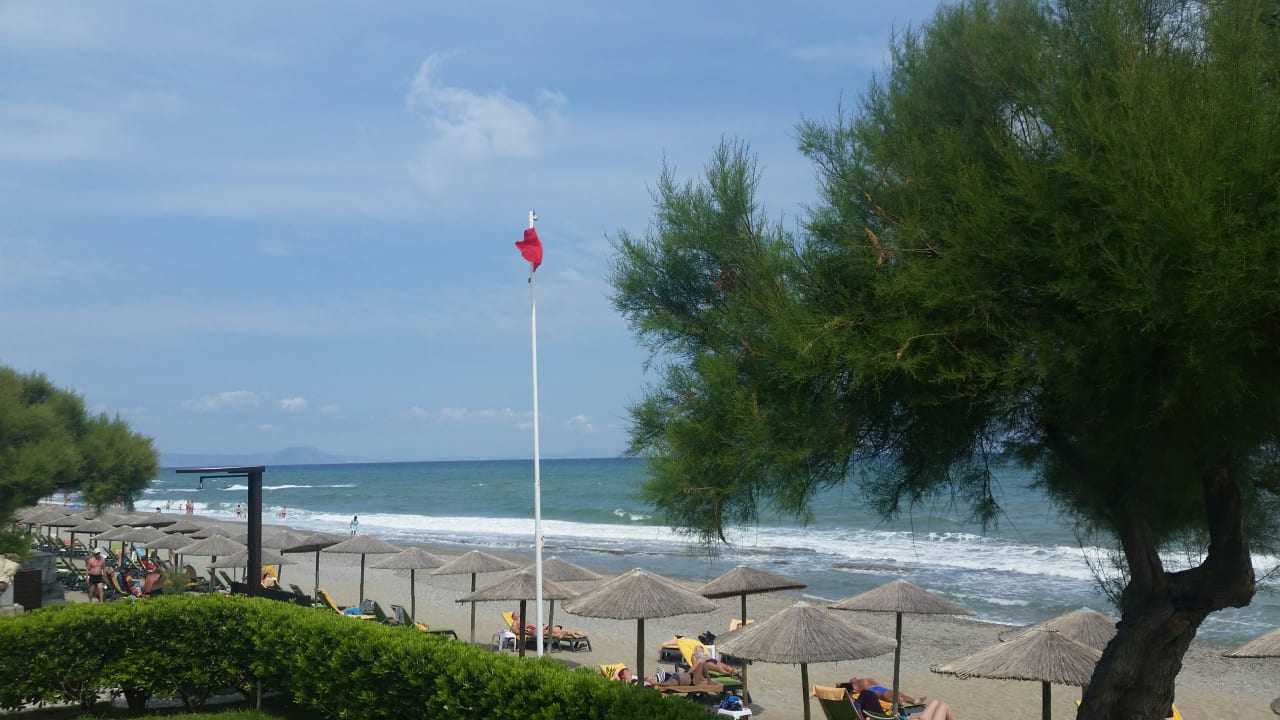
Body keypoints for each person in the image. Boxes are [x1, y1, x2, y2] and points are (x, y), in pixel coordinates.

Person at [846, 676, 926, 706]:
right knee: (883, 696)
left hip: (880, 688)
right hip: (872, 692)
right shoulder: (853, 686)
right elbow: (851, 693)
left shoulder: (860, 681)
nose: (853, 678)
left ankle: (913, 700)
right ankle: (896, 702)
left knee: (898, 692)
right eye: (852, 680)